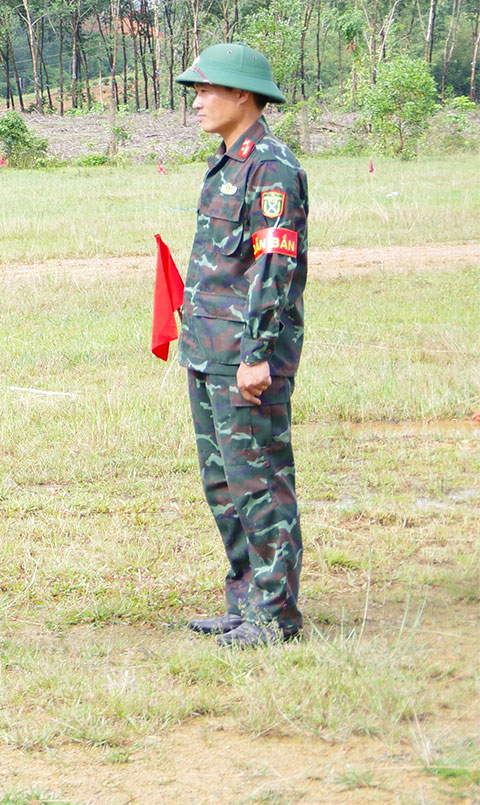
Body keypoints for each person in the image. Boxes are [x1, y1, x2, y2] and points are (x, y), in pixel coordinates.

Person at [174, 43, 308, 649]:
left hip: (246, 357)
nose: (197, 102)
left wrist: (257, 354)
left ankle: (276, 616)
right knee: (224, 485)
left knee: (260, 483)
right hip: (209, 350)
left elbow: (274, 266)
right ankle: (247, 601)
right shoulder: (226, 164)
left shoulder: (270, 168)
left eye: (206, 90)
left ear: (242, 95)